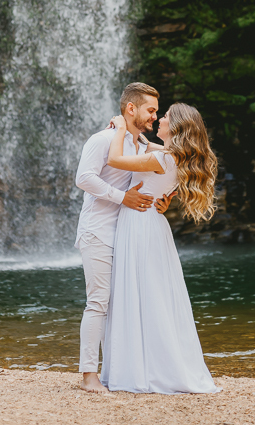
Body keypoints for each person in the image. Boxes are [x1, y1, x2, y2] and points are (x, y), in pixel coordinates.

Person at [100, 102, 220, 394]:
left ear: (175, 127)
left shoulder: (164, 160)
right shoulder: (171, 157)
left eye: (164, 117)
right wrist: (133, 135)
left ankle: (144, 369)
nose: (159, 120)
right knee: (153, 294)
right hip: (151, 225)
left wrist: (117, 126)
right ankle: (152, 364)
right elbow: (145, 145)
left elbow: (115, 159)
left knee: (141, 293)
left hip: (140, 225)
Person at [74, 82, 174, 393]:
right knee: (99, 302)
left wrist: (164, 199)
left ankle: (114, 372)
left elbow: (169, 165)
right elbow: (84, 178)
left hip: (127, 235)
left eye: (157, 112)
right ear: (131, 109)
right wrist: (122, 198)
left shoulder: (140, 145)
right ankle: (89, 375)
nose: (155, 117)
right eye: (151, 110)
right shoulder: (103, 139)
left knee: (120, 305)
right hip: (98, 231)